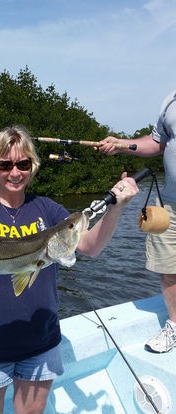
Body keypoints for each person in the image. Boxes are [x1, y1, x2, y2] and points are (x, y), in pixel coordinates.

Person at [0, 125, 139, 414]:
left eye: (23, 164)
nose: (14, 172)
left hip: (40, 340)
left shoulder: (48, 210)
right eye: (5, 164)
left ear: (33, 166)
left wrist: (118, 207)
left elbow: (90, 247)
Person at [99, 89, 176, 354]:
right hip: (171, 204)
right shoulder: (171, 100)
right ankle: (175, 327)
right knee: (169, 267)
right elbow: (157, 143)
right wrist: (122, 144)